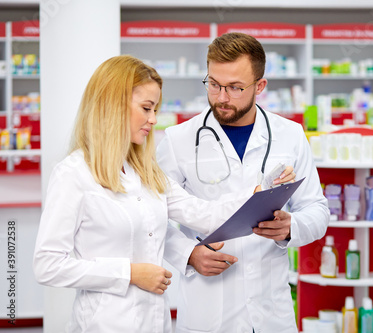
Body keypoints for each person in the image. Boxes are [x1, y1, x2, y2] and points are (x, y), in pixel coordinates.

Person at [32, 55, 294, 333]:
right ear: (112, 104)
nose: (153, 119)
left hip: (155, 321)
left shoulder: (145, 172)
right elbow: (47, 265)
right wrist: (130, 273)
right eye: (146, 108)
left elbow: (202, 214)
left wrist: (257, 195)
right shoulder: (74, 174)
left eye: (155, 109)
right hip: (104, 324)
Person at [157, 32, 329, 332]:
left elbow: (317, 210)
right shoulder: (177, 140)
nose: (221, 97)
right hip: (207, 306)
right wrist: (188, 254)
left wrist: (290, 228)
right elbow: (153, 217)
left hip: (270, 309)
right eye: (213, 84)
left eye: (235, 88)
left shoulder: (290, 135)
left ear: (259, 86)